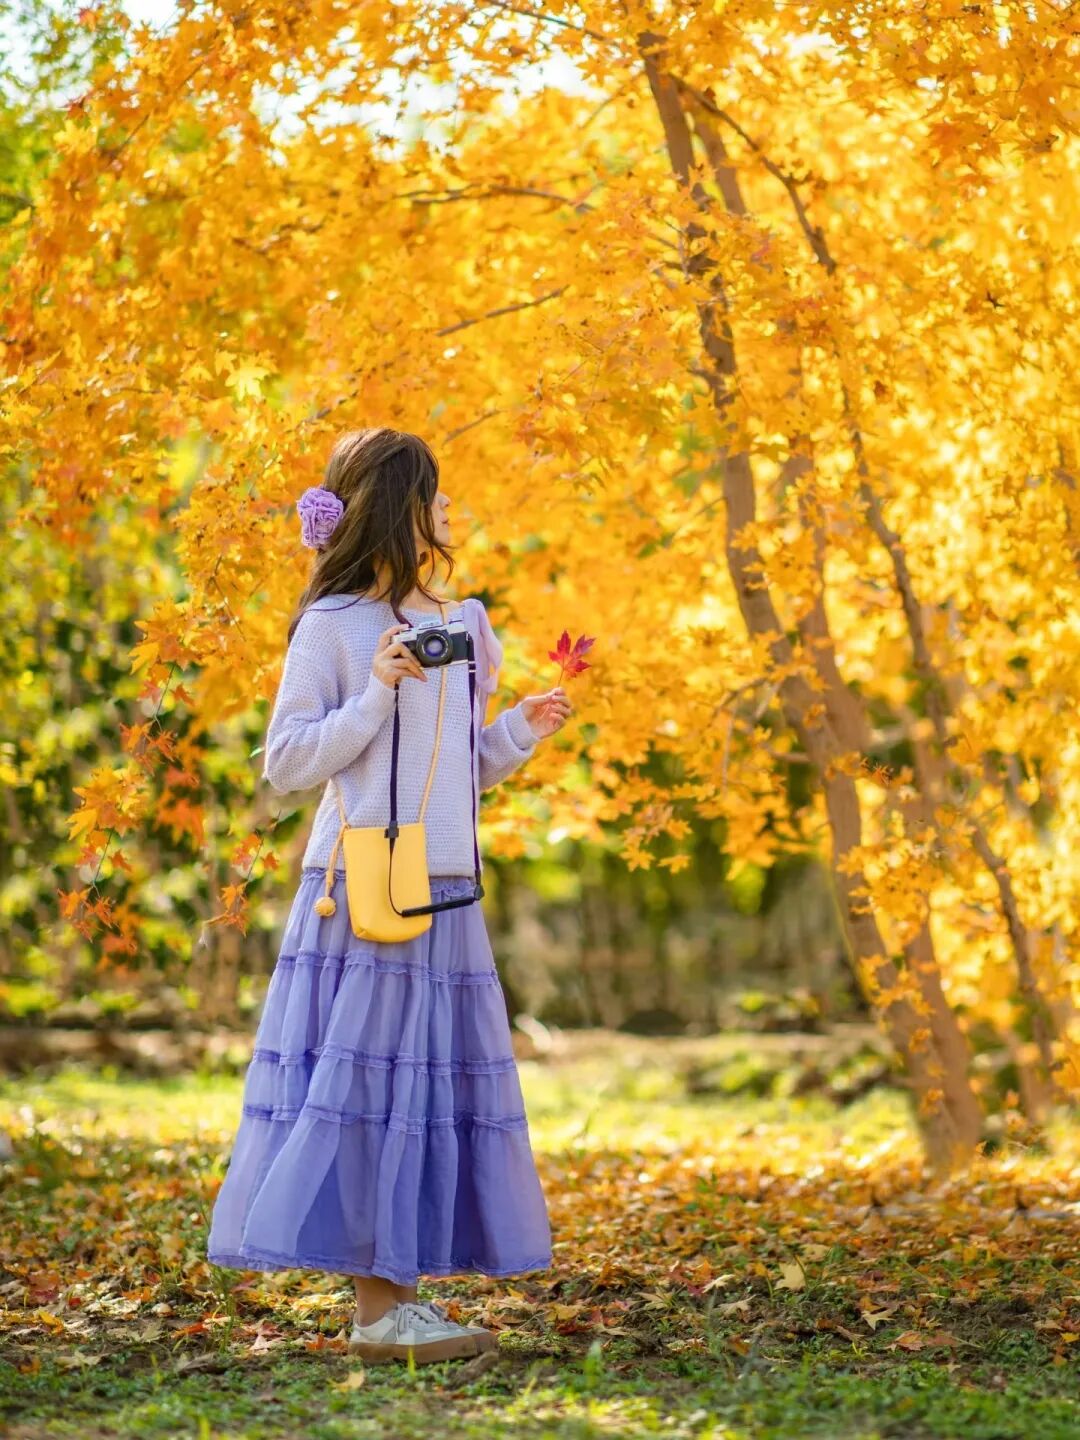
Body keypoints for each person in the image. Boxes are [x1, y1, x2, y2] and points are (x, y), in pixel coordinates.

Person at [206, 427, 572, 1364]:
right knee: (375, 1092)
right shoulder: (334, 625)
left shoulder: (456, 621)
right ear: (396, 510)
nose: (447, 511)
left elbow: (457, 774)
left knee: (421, 1093)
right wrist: (373, 694)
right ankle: (382, 1312)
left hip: (446, 890)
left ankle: (397, 1304)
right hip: (362, 883)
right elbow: (288, 763)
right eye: (433, 495)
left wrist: (518, 733)